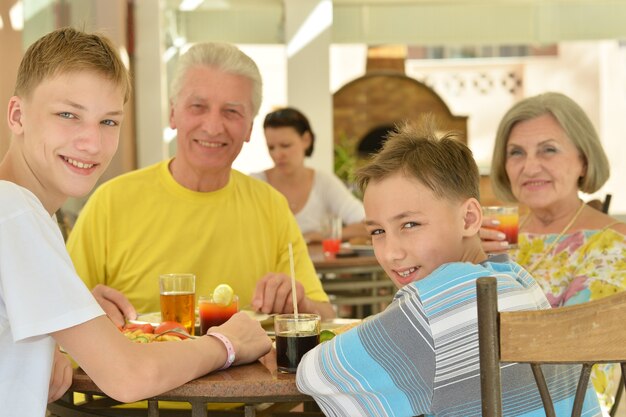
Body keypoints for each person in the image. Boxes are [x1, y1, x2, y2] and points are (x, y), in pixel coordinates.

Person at [0, 27, 271, 417]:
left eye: (108, 122)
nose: (92, 142)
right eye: (68, 115)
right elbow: (129, 376)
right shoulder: (15, 211)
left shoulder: (20, 212)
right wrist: (227, 344)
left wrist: (59, 334)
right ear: (17, 115)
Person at [296, 119, 602, 417]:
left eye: (410, 224)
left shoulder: (433, 302)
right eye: (377, 231)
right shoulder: (516, 277)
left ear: (469, 219)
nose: (391, 252)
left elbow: (314, 373)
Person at [66, 43, 335, 322]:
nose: (213, 126)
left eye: (231, 112)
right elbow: (57, 313)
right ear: (173, 114)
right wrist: (86, 310)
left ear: (250, 128)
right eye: (198, 106)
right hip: (142, 363)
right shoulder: (111, 202)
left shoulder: (272, 207)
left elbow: (325, 315)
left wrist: (299, 302)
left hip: (246, 367)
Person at [482, 91, 626, 410]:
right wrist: (466, 261)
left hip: (570, 403)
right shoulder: (495, 238)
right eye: (516, 153)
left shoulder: (615, 242)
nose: (530, 166)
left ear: (583, 160)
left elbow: (580, 354)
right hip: (489, 396)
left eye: (548, 150)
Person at [251, 107, 368, 243]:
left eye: (285, 145)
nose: (277, 154)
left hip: (316, 265)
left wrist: (324, 235)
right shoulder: (256, 184)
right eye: (271, 147)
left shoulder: (324, 182)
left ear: (306, 140)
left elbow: (369, 224)